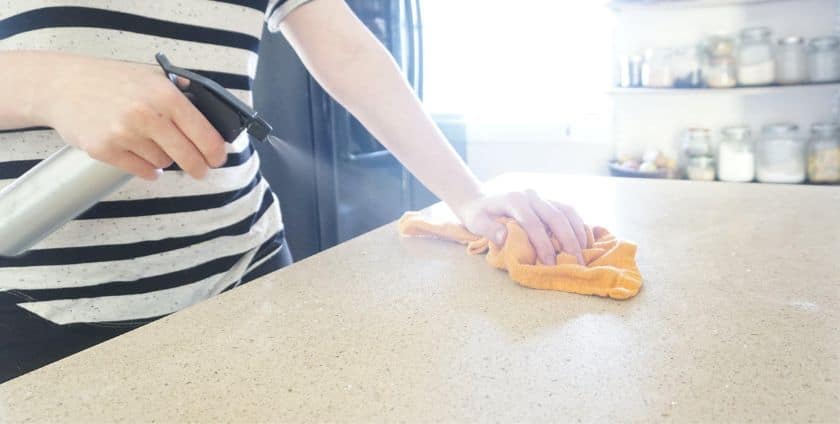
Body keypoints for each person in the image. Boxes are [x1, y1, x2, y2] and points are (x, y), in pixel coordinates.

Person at [0, 0, 587, 382]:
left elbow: (349, 51)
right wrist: (48, 82)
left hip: (251, 277)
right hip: (38, 316)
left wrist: (469, 197)